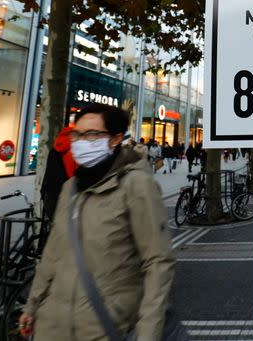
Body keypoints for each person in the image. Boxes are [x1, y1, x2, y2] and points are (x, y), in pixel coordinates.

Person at [19, 104, 175, 340]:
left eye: (92, 134)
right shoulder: (70, 188)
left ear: (115, 139)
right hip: (53, 327)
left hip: (105, 328)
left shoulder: (136, 185)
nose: (81, 142)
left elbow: (157, 262)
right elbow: (52, 253)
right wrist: (32, 305)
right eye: (77, 134)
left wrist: (148, 333)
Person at [40, 126, 78, 222]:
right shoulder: (72, 152)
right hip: (65, 197)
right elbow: (72, 176)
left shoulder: (55, 149)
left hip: (50, 195)